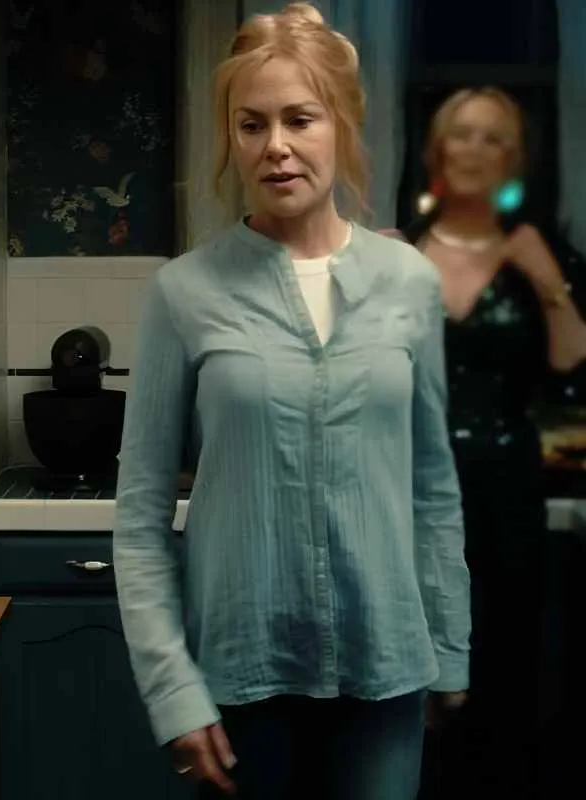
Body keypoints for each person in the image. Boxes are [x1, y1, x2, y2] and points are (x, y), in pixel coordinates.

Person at [113, 5, 471, 799]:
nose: (275, 145)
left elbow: (432, 487)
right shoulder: (183, 292)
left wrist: (450, 647)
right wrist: (172, 691)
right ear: (232, 139)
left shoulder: (409, 282)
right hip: (239, 678)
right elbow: (139, 517)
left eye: (300, 119)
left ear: (341, 125)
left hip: (386, 672)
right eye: (252, 125)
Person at [395, 87, 586, 800]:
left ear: (514, 161)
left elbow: (570, 361)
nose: (474, 150)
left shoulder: (540, 250)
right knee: (411, 668)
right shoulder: (399, 252)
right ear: (436, 150)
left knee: (502, 675)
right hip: (407, 485)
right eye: (462, 134)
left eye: (493, 138)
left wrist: (549, 282)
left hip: (507, 490)